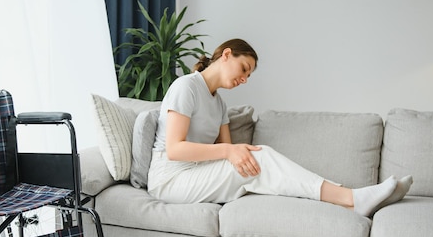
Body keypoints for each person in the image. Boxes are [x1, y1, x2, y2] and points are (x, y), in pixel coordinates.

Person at [146, 38, 412, 216]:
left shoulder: (219, 105)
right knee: (261, 159)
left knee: (258, 157)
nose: (245, 79)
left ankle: (353, 197)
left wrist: (231, 152)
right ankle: (352, 198)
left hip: (197, 174)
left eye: (249, 75)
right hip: (170, 179)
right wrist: (229, 152)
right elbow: (175, 149)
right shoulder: (186, 87)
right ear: (226, 55)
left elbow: (229, 149)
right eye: (244, 68)